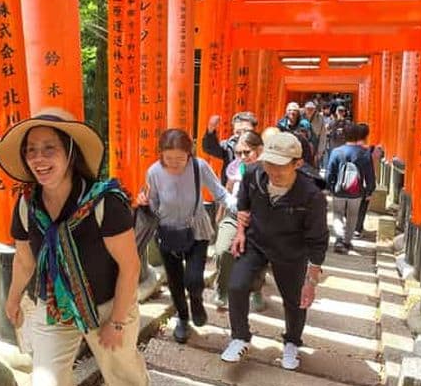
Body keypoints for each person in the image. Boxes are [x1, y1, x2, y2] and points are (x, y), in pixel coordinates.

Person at [0, 108, 152, 386]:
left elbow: (130, 266)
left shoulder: (105, 202)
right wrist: (11, 299)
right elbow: (24, 260)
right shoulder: (26, 205)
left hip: (107, 304)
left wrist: (117, 322)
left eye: (49, 148)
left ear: (70, 153)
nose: (39, 158)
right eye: (31, 151)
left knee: (120, 366)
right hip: (54, 304)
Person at [220, 132, 327, 371]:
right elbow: (243, 205)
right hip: (256, 242)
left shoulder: (311, 196)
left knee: (295, 300)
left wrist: (311, 280)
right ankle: (240, 337)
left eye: (280, 166)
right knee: (236, 285)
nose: (272, 171)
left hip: (290, 250)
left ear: (297, 164)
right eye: (269, 163)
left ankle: (292, 342)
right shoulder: (254, 174)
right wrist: (239, 231)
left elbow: (318, 241)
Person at [139, 128, 235, 344]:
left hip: (196, 230)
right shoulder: (154, 172)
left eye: (180, 158)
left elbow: (220, 192)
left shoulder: (198, 167)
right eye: (168, 157)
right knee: (174, 281)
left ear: (189, 154)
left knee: (193, 279)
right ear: (161, 154)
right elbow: (153, 202)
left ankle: (197, 300)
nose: (174, 162)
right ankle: (183, 319)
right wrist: (145, 204)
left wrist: (239, 206)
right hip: (167, 232)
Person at [214, 131, 268, 312]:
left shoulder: (268, 169)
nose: (243, 157)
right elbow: (227, 189)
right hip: (234, 215)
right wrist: (220, 213)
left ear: (259, 150)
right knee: (222, 251)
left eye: (247, 152)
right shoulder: (235, 167)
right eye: (239, 153)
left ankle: (256, 289)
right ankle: (221, 289)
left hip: (258, 221)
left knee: (258, 257)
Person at [327, 123, 376, 254]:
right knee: (353, 216)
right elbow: (370, 174)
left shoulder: (336, 152)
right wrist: (370, 190)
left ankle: (339, 238)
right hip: (356, 191)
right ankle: (347, 242)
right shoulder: (365, 153)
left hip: (339, 190)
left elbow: (330, 172)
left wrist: (329, 186)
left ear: (344, 135)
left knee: (337, 213)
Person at [201, 111, 259, 184]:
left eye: (246, 131)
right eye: (238, 132)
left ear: (255, 130)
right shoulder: (229, 146)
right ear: (233, 132)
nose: (242, 135)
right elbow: (209, 148)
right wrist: (210, 130)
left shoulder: (261, 146)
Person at [303, 101, 327, 167]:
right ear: (305, 109)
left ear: (315, 109)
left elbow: (323, 135)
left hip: (314, 146)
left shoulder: (320, 118)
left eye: (312, 109)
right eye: (308, 108)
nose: (310, 110)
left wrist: (320, 152)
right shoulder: (300, 117)